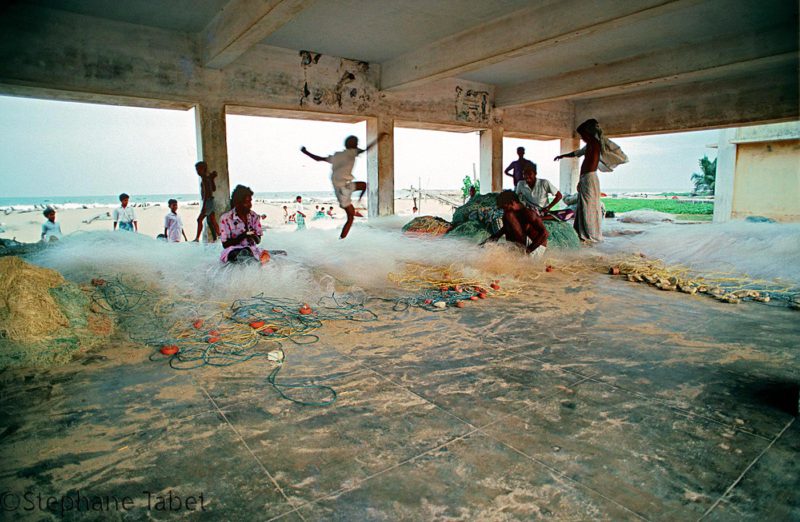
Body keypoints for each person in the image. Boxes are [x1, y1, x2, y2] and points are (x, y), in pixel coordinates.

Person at [300, 132, 388, 239]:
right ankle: (341, 239)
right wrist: (379, 138)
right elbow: (366, 149)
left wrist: (305, 152)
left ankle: (357, 205)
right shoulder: (352, 152)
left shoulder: (337, 155)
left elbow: (318, 159)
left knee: (363, 187)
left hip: (344, 186)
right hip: (342, 189)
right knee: (350, 217)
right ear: (354, 145)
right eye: (357, 143)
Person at [554, 119, 627, 242]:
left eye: (583, 135)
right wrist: (563, 156)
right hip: (585, 178)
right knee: (583, 206)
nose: (582, 138)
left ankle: (591, 234)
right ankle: (582, 232)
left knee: (589, 207)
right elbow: (577, 153)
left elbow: (582, 149)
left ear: (589, 134)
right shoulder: (589, 145)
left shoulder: (595, 143)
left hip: (590, 178)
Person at [480, 190, 548, 258]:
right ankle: (515, 252)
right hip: (522, 247)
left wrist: (527, 251)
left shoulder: (529, 213)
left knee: (508, 215)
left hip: (535, 248)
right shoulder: (509, 215)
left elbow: (545, 234)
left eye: (505, 207)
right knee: (493, 250)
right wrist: (484, 245)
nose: (504, 210)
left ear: (512, 202)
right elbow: (500, 233)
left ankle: (518, 254)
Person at [219, 185, 269, 264]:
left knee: (281, 254)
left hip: (252, 249)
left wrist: (252, 235)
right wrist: (243, 235)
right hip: (233, 251)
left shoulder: (254, 217)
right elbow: (225, 244)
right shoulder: (226, 218)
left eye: (250, 201)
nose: (250, 205)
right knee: (242, 254)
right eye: (247, 202)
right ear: (237, 203)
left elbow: (258, 241)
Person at [193, 161, 221, 242]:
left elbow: (205, 193)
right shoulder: (208, 177)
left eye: (198, 170)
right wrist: (212, 178)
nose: (197, 172)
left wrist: (204, 206)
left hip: (208, 201)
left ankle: (197, 238)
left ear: (203, 169)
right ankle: (220, 236)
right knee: (213, 220)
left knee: (199, 220)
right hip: (211, 201)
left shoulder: (204, 178)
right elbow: (214, 189)